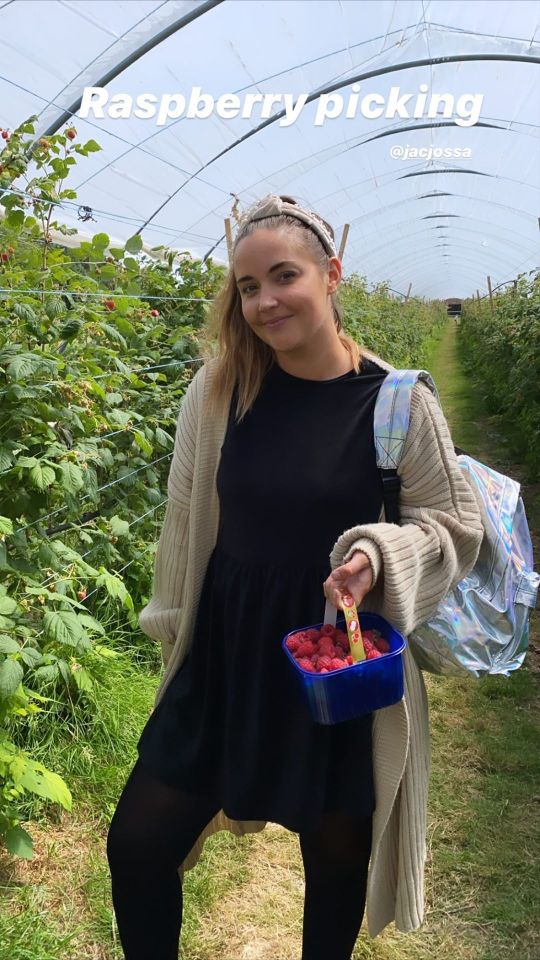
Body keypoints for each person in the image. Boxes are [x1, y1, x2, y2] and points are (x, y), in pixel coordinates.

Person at [106, 194, 483, 960]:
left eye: (284, 276)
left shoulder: (396, 404)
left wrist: (375, 555)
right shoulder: (218, 393)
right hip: (227, 654)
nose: (265, 301)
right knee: (139, 842)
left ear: (332, 273)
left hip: (336, 668)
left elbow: (455, 528)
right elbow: (184, 521)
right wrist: (171, 627)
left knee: (337, 858)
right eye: (247, 287)